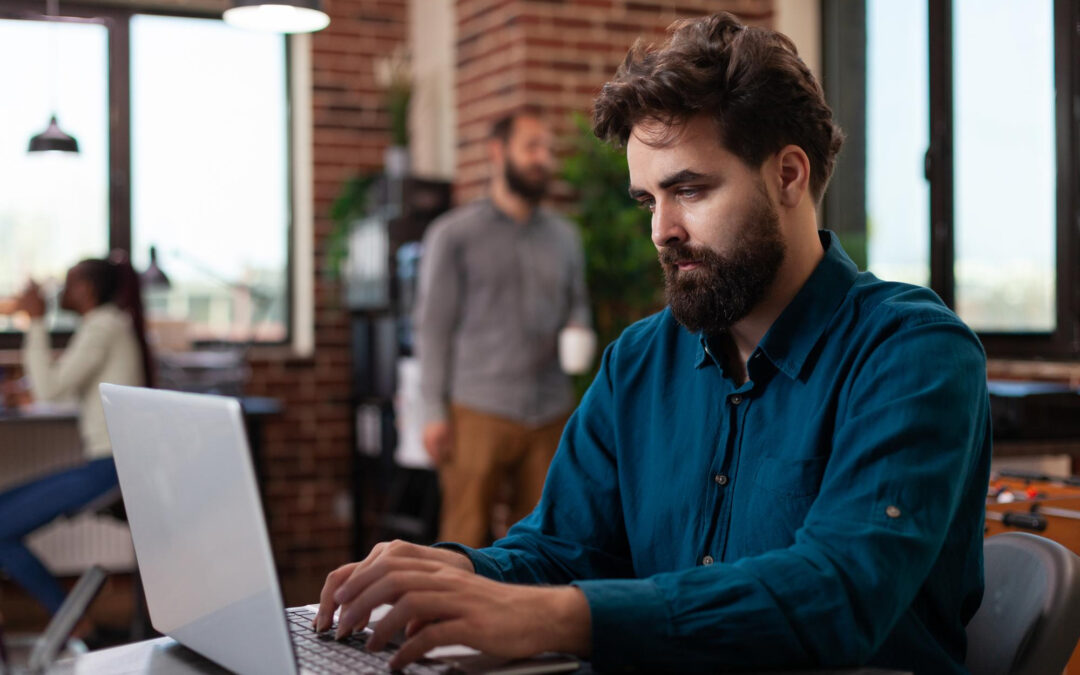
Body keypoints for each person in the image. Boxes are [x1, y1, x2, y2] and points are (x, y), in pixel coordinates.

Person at [315, 13, 991, 673]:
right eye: (648, 200)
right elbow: (563, 547)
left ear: (788, 175)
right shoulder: (639, 361)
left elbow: (839, 590)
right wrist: (461, 568)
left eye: (689, 189)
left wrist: (554, 617)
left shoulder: (912, 351)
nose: (661, 230)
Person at [415, 110, 591, 547]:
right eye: (532, 147)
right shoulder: (453, 235)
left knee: (544, 544)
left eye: (547, 150)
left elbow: (579, 306)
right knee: (463, 541)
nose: (543, 159)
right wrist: (432, 413)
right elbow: (433, 328)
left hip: (550, 411)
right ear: (498, 152)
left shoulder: (565, 237)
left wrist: (578, 328)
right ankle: (446, 618)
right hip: (477, 409)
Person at [0, 255, 151, 614]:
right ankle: (72, 618)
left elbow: (50, 388)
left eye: (68, 283)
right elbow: (64, 384)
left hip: (113, 467)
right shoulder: (103, 325)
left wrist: (35, 321)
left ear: (87, 289)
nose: (60, 292)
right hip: (105, 461)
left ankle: (72, 620)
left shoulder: (104, 326)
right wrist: (25, 388)